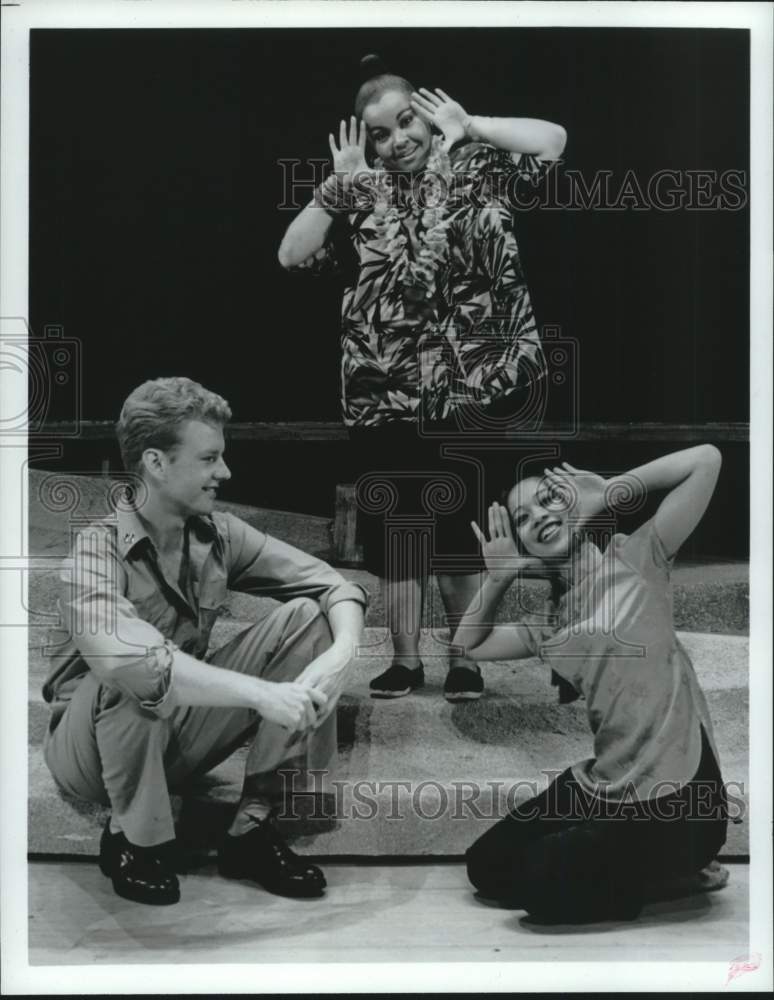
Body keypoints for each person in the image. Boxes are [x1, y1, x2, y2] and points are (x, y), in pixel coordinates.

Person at [278, 54, 566, 702]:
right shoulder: (359, 196)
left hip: (470, 384)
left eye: (406, 121)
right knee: (397, 531)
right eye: (380, 132)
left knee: (462, 524)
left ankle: (465, 657)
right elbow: (291, 254)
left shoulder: (476, 171)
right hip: (386, 390)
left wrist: (475, 125)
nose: (398, 138)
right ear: (369, 143)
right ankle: (405, 661)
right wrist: (334, 187)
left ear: (425, 116)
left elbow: (553, 142)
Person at [42, 377, 367, 906]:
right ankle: (133, 840)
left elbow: (332, 585)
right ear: (156, 462)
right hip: (94, 752)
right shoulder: (94, 550)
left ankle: (251, 833)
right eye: (210, 458)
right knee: (134, 669)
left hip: (174, 730)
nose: (225, 472)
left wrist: (342, 653)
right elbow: (125, 659)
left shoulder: (217, 534)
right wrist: (260, 694)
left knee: (308, 617)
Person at [454, 445, 729, 924]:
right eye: (522, 518)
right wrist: (498, 580)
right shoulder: (549, 622)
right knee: (488, 866)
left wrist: (609, 490)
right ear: (521, 544)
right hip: (609, 782)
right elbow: (469, 645)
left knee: (537, 880)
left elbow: (706, 459)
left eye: (547, 500)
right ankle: (636, 864)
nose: (537, 516)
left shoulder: (640, 555)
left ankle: (660, 871)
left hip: (680, 801)